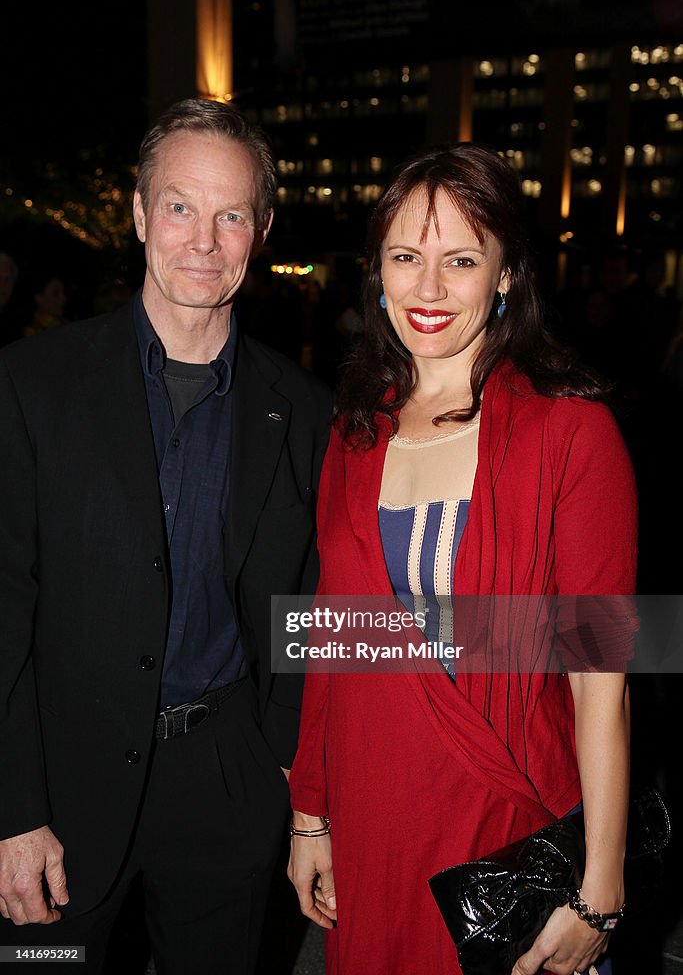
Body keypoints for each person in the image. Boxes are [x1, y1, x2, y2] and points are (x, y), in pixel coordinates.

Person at [287, 143, 637, 975]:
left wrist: (601, 886)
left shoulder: (572, 434)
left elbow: (602, 683)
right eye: (406, 257)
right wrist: (310, 816)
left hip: (500, 819)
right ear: (376, 269)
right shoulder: (353, 431)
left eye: (460, 259)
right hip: (371, 817)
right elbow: (337, 638)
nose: (429, 289)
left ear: (506, 273)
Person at [0, 98, 332, 974]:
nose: (203, 240)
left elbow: (306, 612)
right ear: (140, 212)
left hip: (225, 787)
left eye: (230, 215)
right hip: (57, 793)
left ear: (260, 229)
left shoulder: (302, 411)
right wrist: (11, 810)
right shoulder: (32, 382)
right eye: (180, 206)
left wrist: (287, 784)